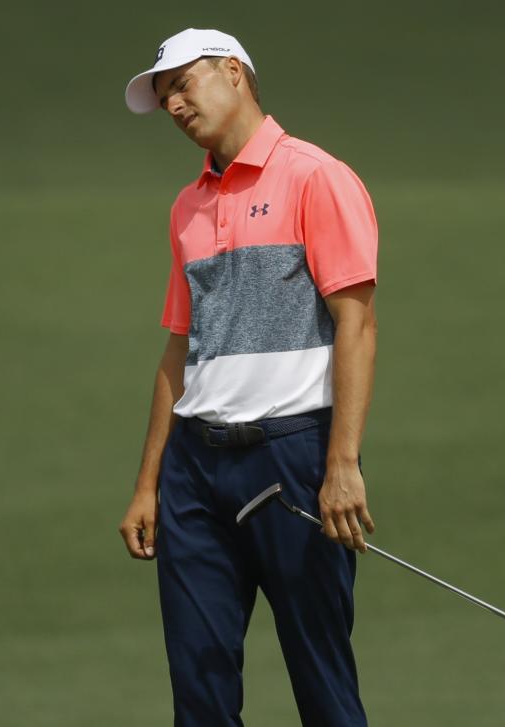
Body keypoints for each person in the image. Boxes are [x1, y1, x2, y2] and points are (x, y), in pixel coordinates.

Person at [117, 28, 378, 727]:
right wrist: (149, 483)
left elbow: (356, 324)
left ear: (234, 72)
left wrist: (342, 462)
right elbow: (180, 352)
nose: (174, 104)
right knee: (199, 694)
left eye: (183, 83)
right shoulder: (187, 207)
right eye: (164, 94)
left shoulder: (316, 176)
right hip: (194, 473)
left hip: (291, 459)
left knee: (323, 685)